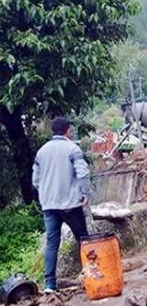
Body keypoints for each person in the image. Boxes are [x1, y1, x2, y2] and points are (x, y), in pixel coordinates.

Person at [33, 117, 90, 293]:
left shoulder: (41, 152)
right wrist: (85, 194)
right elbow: (83, 173)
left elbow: (35, 180)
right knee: (84, 240)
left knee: (52, 244)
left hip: (49, 206)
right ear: (67, 131)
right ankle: (92, 276)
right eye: (70, 130)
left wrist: (47, 195)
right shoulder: (72, 148)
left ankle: (50, 284)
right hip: (70, 204)